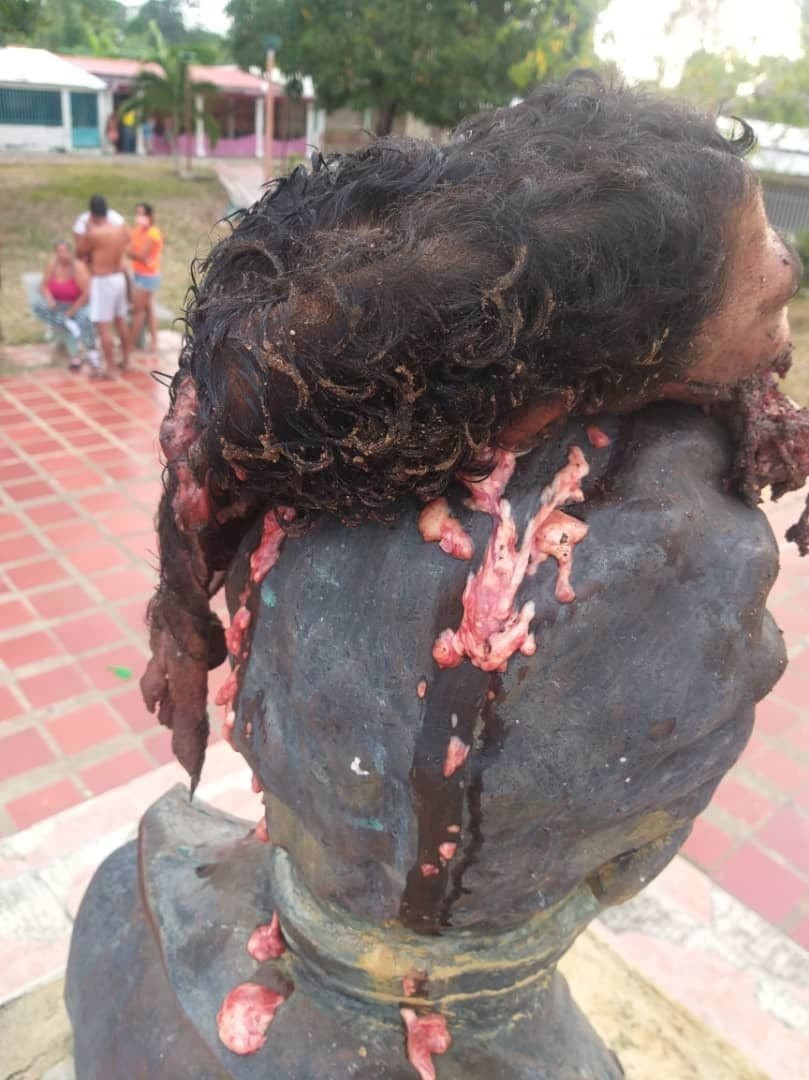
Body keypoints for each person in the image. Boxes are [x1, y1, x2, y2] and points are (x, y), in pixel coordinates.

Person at [69, 76, 809, 1077]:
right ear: (636, 843)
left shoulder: (122, 905)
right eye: (762, 281)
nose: (785, 264)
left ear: (258, 704)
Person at [75, 194, 130, 376]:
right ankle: (126, 360)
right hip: (119, 277)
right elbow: (127, 243)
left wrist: (88, 229)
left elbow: (80, 251)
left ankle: (111, 368)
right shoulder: (119, 230)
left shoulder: (94, 233)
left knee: (104, 326)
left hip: (103, 280)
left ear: (92, 214)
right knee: (121, 320)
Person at [30, 240, 98, 371]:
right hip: (59, 305)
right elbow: (43, 286)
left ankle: (91, 352)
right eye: (59, 252)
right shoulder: (52, 265)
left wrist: (71, 311)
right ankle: (75, 354)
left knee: (85, 318)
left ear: (71, 252)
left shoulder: (78, 267)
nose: (62, 255)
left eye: (65, 251)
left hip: (79, 304)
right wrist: (49, 298)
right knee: (38, 306)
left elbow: (87, 294)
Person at [128, 202, 163, 353]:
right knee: (149, 309)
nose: (139, 217)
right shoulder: (137, 230)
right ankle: (154, 342)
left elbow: (141, 255)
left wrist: (128, 251)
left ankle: (130, 345)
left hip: (148, 276)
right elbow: (132, 248)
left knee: (138, 311)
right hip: (138, 273)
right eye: (138, 213)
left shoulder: (153, 233)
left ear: (150, 216)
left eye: (142, 214)